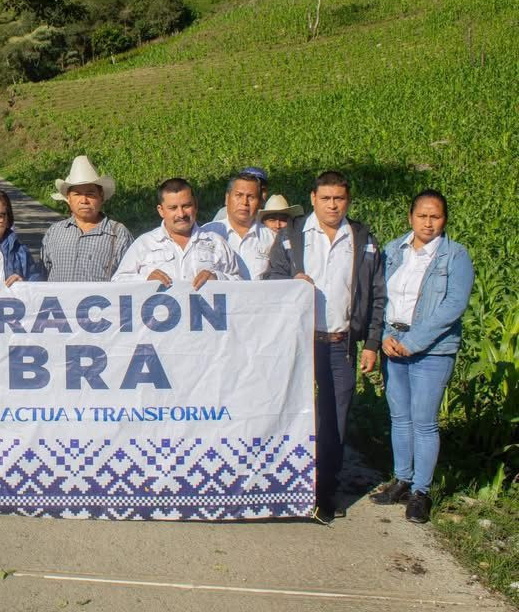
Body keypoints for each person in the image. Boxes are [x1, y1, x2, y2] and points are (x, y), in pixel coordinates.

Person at [264, 170, 385, 521]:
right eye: (326, 198)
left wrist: (371, 342)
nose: (333, 205)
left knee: (334, 419)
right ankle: (287, 483)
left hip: (340, 343)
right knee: (291, 415)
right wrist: (291, 282)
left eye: (339, 198)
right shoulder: (292, 237)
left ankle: (325, 490)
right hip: (299, 343)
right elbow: (271, 280)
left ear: (347, 201)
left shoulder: (362, 239)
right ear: (313, 199)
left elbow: (377, 293)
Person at [370, 190, 473, 523]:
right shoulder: (393, 250)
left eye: (436, 217)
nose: (428, 223)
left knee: (424, 421)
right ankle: (401, 478)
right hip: (393, 342)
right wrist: (385, 335)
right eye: (422, 216)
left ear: (444, 220)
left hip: (432, 348)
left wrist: (414, 341)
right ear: (410, 217)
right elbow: (380, 295)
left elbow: (453, 306)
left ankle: (421, 491)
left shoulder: (455, 256)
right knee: (399, 417)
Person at [113, 178, 241, 287]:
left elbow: (241, 284)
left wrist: (217, 277)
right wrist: (145, 280)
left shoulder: (216, 242)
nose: (181, 214)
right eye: (173, 208)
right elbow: (117, 283)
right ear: (161, 210)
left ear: (195, 206)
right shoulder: (144, 244)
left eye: (186, 206)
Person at [40, 155, 132, 282]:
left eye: (90, 194)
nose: (84, 200)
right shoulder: (54, 232)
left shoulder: (118, 234)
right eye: (77, 194)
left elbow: (130, 277)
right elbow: (41, 274)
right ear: (69, 198)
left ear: (101, 197)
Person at [201, 171, 275, 280]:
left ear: (260, 202)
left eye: (251, 197)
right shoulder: (206, 234)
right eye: (239, 195)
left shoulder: (271, 238)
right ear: (227, 198)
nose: (244, 202)